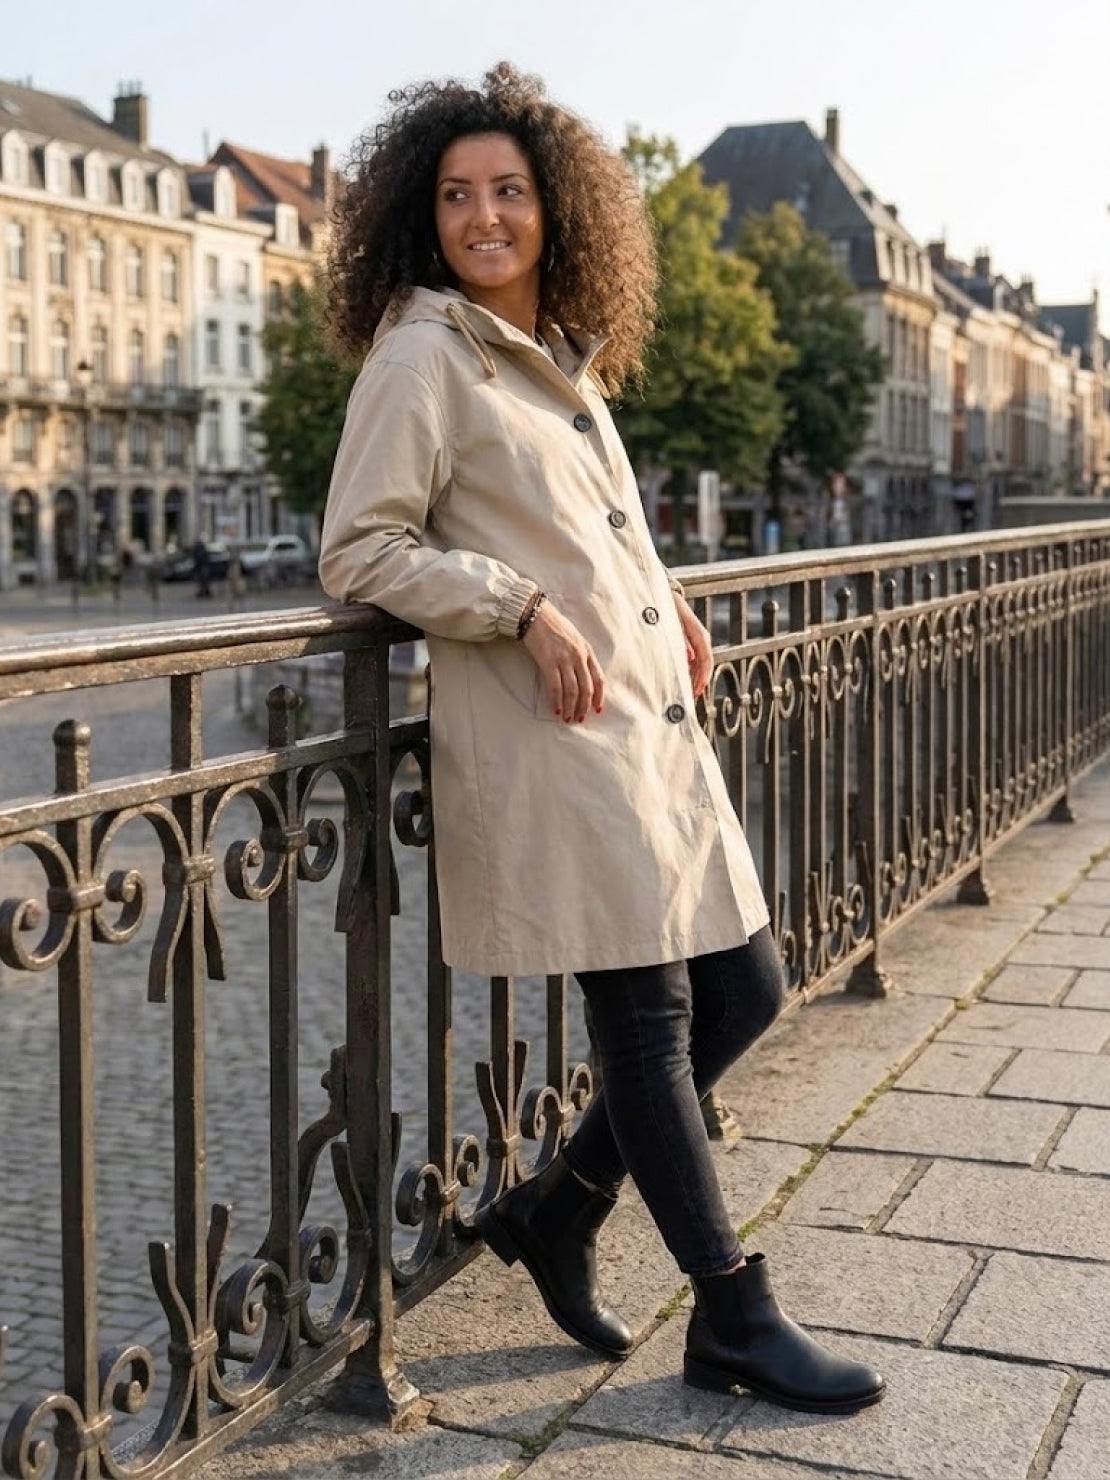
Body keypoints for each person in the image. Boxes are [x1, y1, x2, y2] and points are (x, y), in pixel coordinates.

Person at [318, 62, 884, 1415]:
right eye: (456, 196)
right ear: (422, 215)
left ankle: (557, 1211)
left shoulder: (555, 352)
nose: (484, 216)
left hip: (641, 721)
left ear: (554, 207)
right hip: (551, 738)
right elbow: (359, 548)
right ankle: (732, 1316)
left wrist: (666, 599)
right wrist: (512, 609)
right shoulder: (421, 356)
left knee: (746, 988)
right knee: (649, 1017)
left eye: (508, 190)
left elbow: (578, 526)